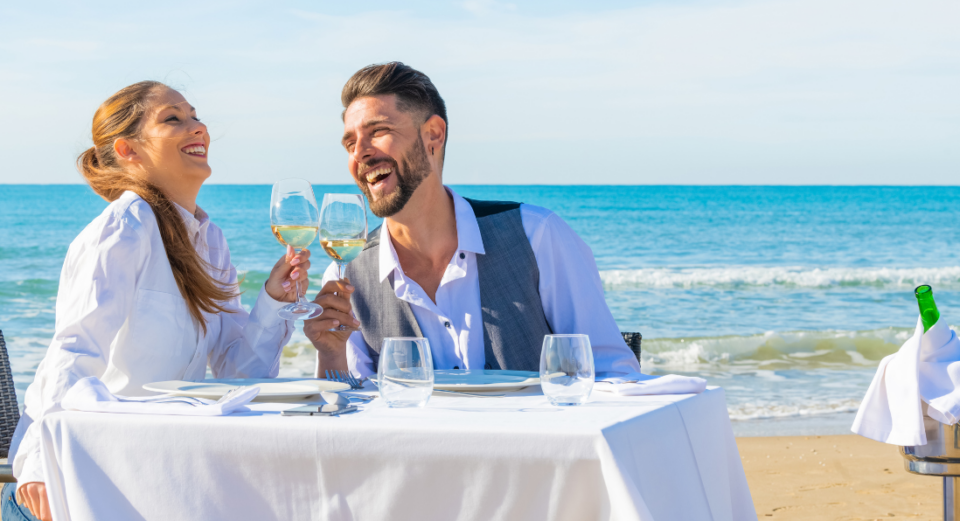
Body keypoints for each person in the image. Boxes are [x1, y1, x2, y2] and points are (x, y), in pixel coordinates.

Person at [4, 81, 341, 521]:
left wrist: (274, 302)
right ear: (129, 150)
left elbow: (239, 373)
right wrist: (39, 468)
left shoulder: (209, 240)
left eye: (195, 115)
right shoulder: (124, 227)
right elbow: (72, 353)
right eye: (173, 119)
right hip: (83, 488)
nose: (197, 127)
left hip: (152, 479)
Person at [302, 62, 641, 379]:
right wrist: (331, 356)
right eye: (350, 143)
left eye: (378, 131)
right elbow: (349, 419)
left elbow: (613, 372)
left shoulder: (536, 236)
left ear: (433, 134)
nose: (359, 152)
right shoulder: (348, 276)